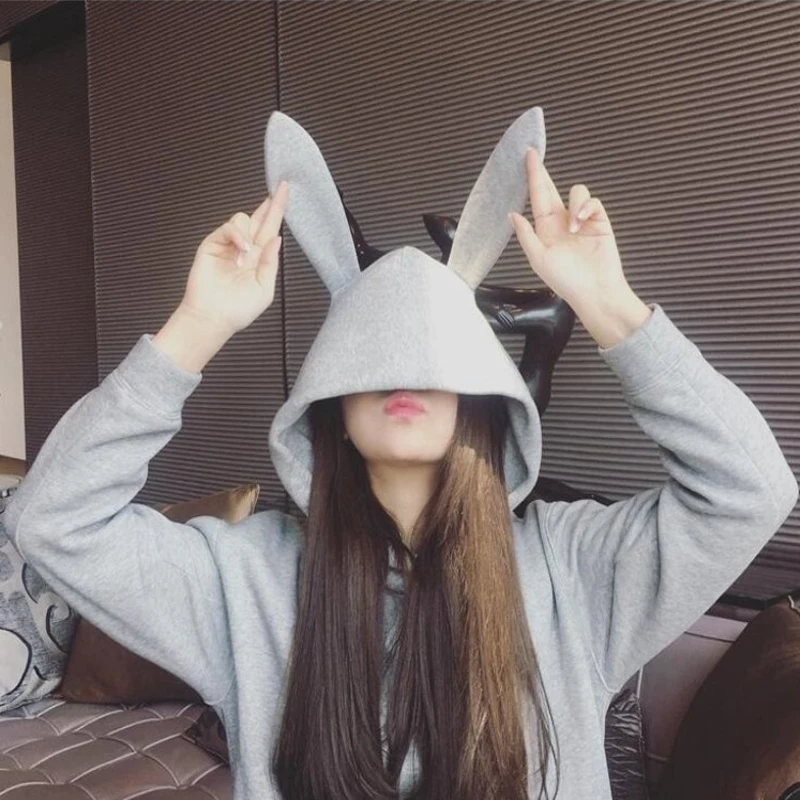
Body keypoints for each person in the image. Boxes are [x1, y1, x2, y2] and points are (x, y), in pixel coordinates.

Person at [3, 107, 797, 800]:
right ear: (329, 403)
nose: (403, 376)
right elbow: (54, 518)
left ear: (478, 395)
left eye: (431, 356)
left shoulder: (573, 573)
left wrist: (607, 302)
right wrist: (196, 326)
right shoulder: (245, 581)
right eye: (372, 357)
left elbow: (749, 490)